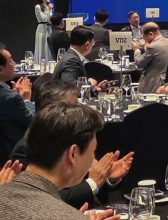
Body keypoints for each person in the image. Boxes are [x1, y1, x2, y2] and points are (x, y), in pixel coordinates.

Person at [10, 80, 134, 209]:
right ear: (52, 112)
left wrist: (106, 177)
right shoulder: (26, 149)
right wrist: (93, 183)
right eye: (73, 107)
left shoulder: (76, 138)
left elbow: (87, 186)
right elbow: (43, 200)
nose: (81, 111)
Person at [132, 22, 168, 93]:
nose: (145, 41)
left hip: (154, 86)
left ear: (150, 34)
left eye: (144, 37)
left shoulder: (152, 47)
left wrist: (137, 50)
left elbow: (139, 64)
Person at [34, 0, 53, 64]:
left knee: (48, 47)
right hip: (42, 28)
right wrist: (49, 9)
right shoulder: (38, 7)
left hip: (49, 28)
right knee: (42, 46)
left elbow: (50, 18)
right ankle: (40, 63)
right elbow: (44, 19)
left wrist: (50, 9)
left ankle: (49, 63)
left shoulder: (48, 7)